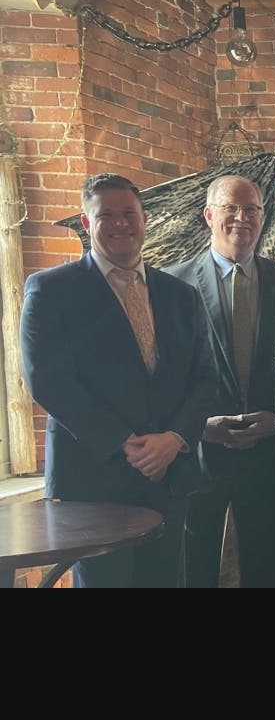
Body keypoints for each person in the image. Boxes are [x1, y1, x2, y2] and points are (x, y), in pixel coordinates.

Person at [19, 172, 219, 587]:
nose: (120, 223)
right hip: (93, 479)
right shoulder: (51, 290)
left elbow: (205, 378)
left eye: (129, 213)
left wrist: (175, 439)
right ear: (86, 222)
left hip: (167, 476)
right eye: (106, 215)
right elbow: (48, 381)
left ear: (146, 219)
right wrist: (124, 442)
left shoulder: (180, 295)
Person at [164, 175, 275, 588]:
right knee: (194, 571)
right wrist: (196, 427)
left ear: (263, 218)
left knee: (267, 570)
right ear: (209, 214)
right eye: (231, 208)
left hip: (268, 459)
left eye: (252, 210)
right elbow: (164, 376)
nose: (241, 218)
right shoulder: (171, 286)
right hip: (198, 455)